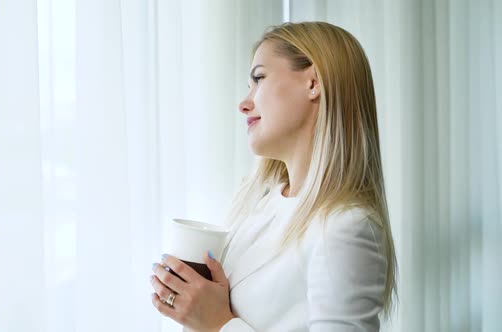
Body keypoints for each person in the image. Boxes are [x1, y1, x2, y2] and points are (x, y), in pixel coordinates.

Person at [150, 21, 397, 332]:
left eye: (259, 79)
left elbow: (222, 322)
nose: (244, 103)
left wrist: (218, 325)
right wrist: (194, 306)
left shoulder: (346, 227)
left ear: (313, 83)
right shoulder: (261, 207)